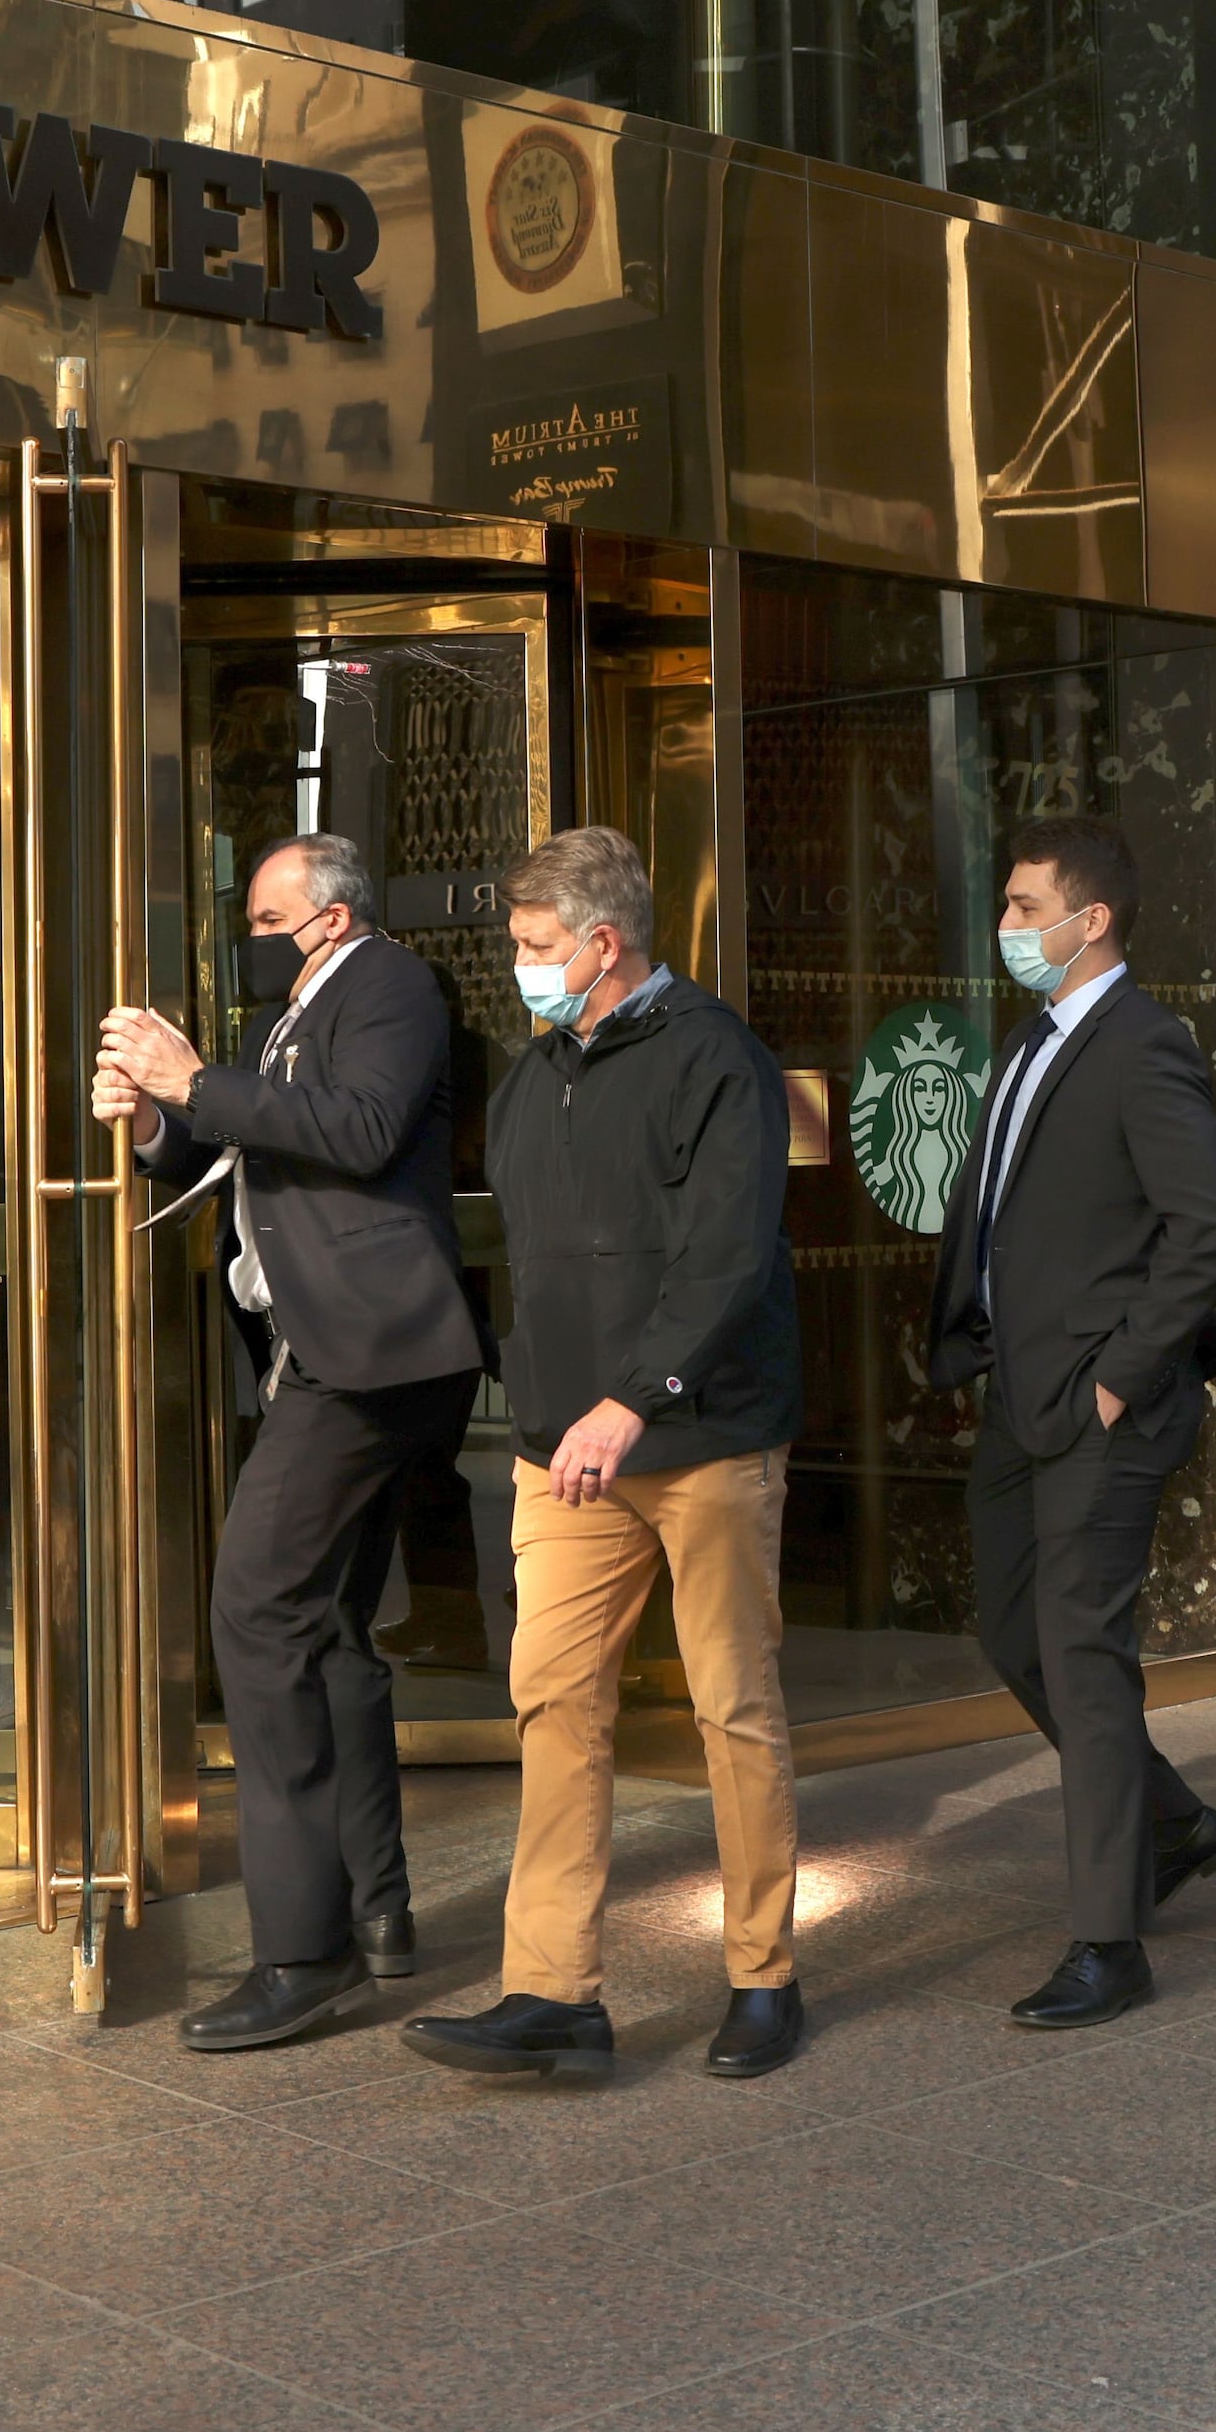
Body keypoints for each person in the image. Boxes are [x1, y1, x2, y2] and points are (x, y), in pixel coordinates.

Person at [400, 825, 808, 2083]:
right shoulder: (533, 1077)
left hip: (699, 1440)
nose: (519, 966)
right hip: (561, 1453)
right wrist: (536, 1395)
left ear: (601, 942)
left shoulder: (713, 1058)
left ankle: (761, 1975)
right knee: (552, 1706)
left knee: (730, 1706)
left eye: (533, 945)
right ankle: (552, 1992)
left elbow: (726, 1255)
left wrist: (634, 1397)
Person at [92, 832, 490, 2053]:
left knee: (256, 1610)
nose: (247, 933)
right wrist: (164, 1116)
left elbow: (361, 1127)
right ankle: (376, 1911)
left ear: (323, 916)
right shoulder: (304, 1003)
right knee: (324, 1630)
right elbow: (245, 1144)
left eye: (263, 916)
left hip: (370, 1356)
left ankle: (299, 1951)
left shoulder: (389, 984)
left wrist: (193, 1071)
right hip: (329, 1348)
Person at [922, 817, 1216, 2030]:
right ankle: (1175, 1822)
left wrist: (1119, 1376)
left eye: (1021, 906)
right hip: (1018, 1395)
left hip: (1100, 1407)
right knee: (1012, 1630)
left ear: (1088, 918)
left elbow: (1203, 1227)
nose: (1006, 928)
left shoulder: (1143, 1044)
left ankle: (1108, 1939)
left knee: (1082, 1651)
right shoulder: (1032, 1040)